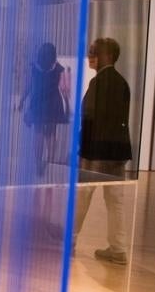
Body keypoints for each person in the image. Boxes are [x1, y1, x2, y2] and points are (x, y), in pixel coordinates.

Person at [73, 38, 132, 264]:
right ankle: (118, 249)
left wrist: (81, 146)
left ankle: (70, 241)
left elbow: (89, 117)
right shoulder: (121, 82)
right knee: (115, 200)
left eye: (94, 53)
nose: (90, 57)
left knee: (82, 196)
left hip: (96, 151)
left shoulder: (100, 83)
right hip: (117, 151)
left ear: (107, 56)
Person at [19, 42, 70, 177]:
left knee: (38, 133)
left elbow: (28, 86)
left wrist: (21, 100)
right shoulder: (59, 68)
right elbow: (64, 90)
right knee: (51, 134)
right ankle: (51, 164)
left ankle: (38, 164)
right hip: (53, 103)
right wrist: (67, 106)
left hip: (38, 103)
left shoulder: (34, 68)